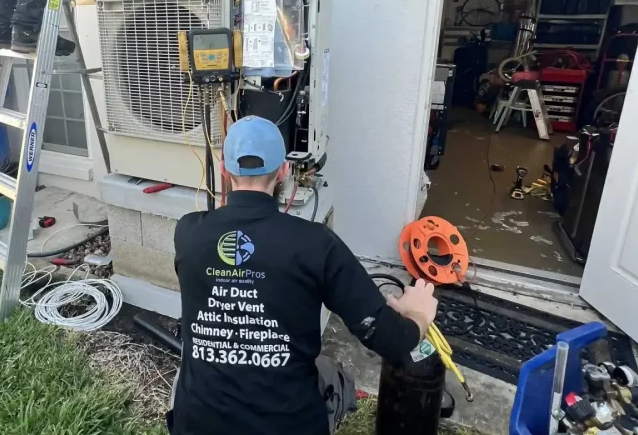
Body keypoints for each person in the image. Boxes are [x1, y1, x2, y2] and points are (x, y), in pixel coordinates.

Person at [170, 116, 439, 435]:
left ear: (225, 171)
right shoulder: (315, 244)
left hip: (197, 423)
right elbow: (392, 340)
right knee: (328, 374)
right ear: (283, 171)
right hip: (286, 425)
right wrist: (418, 314)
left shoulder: (189, 232)